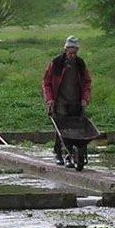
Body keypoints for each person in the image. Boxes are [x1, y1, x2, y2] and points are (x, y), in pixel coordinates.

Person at [42, 35, 92, 166]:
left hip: (75, 102)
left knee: (74, 130)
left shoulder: (81, 64)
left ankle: (71, 156)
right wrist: (49, 99)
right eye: (70, 53)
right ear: (65, 50)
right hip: (60, 101)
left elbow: (87, 83)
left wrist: (85, 99)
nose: (72, 56)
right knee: (62, 129)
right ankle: (59, 153)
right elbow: (46, 83)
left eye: (75, 53)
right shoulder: (56, 63)